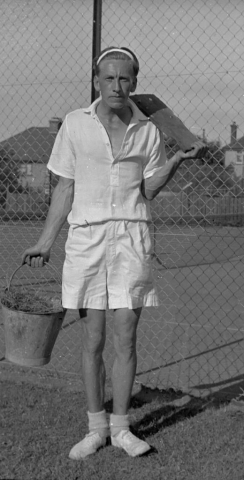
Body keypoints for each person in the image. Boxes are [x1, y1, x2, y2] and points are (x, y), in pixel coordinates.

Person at [21, 47, 206, 460]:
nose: (116, 86)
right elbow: (64, 188)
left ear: (135, 83)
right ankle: (95, 428)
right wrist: (45, 242)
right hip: (86, 240)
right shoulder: (74, 124)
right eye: (109, 78)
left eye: (125, 79)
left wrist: (177, 159)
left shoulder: (149, 130)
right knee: (93, 338)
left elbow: (148, 190)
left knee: (125, 336)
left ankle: (121, 429)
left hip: (131, 239)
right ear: (96, 81)